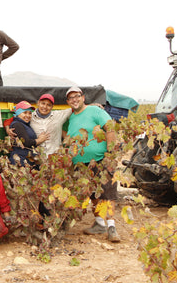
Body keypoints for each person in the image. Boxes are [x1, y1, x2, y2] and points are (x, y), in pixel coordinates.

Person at [64, 86, 120, 243]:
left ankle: (111, 226)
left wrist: (111, 154)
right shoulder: (71, 118)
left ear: (83, 97)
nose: (74, 99)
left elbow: (110, 128)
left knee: (107, 193)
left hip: (102, 159)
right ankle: (100, 223)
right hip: (81, 164)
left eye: (77, 96)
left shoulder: (96, 111)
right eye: (71, 98)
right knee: (93, 194)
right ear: (68, 102)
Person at [4, 94, 72, 155]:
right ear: (38, 103)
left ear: (52, 107)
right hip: (38, 159)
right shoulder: (29, 116)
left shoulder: (59, 115)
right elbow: (11, 120)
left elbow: (76, 109)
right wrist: (7, 129)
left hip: (56, 156)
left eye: (49, 105)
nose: (45, 107)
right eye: (43, 103)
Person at [8, 101, 50, 166]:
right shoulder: (17, 125)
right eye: (25, 113)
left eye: (30, 113)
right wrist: (39, 140)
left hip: (27, 160)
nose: (28, 115)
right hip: (20, 161)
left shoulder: (25, 124)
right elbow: (26, 142)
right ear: (18, 113)